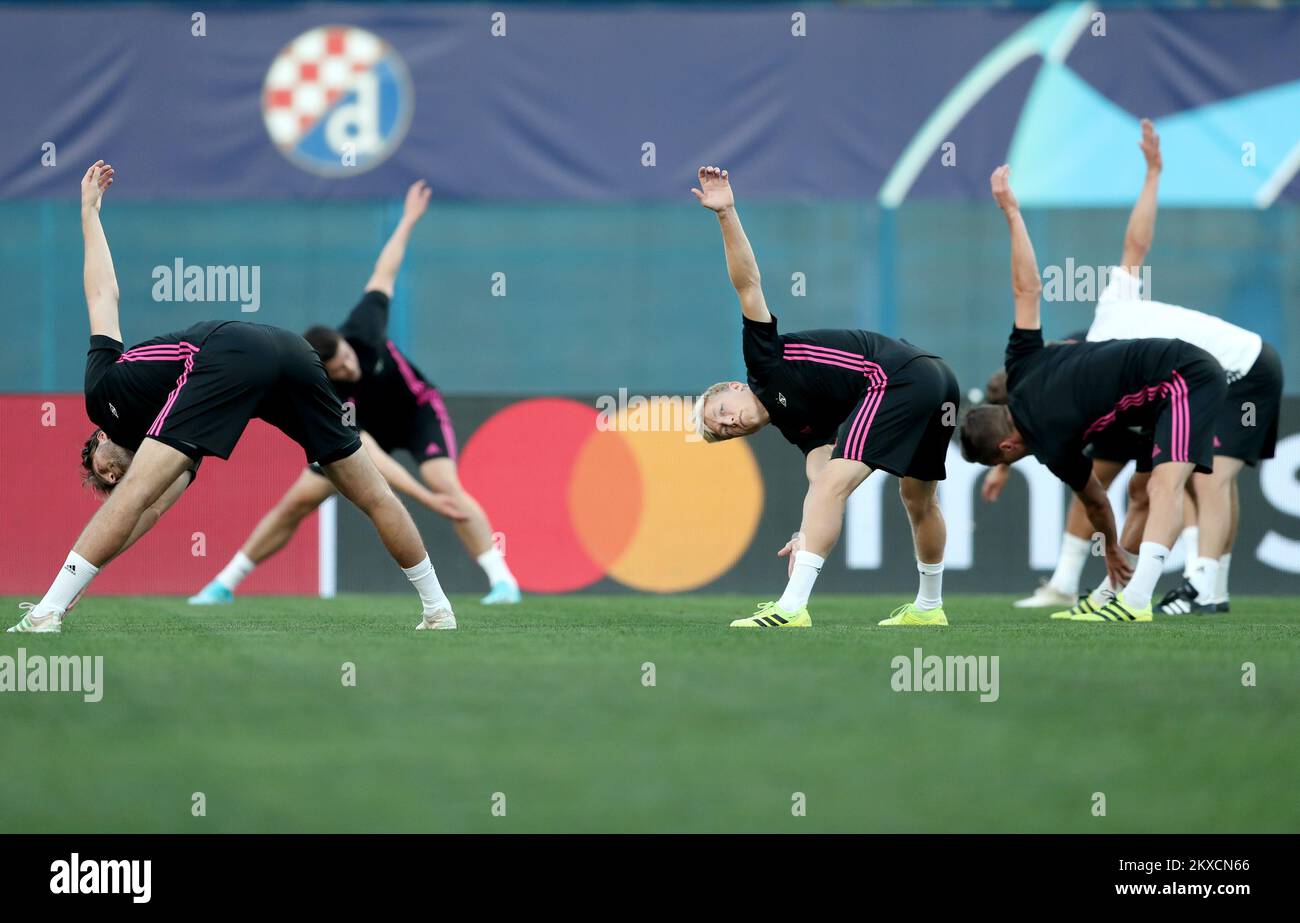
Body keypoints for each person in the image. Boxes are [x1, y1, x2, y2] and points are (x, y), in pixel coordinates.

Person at [10, 162, 455, 633]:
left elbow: (103, 295)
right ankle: (438, 610)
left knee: (141, 491)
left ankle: (44, 614)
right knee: (372, 493)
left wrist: (89, 212)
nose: (109, 472)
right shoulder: (175, 438)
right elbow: (147, 508)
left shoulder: (101, 394)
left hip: (230, 349)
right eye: (109, 479)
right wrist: (78, 584)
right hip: (293, 354)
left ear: (99, 435)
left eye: (97, 462)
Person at [188, 181, 521, 607]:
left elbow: (385, 272)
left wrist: (407, 221)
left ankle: (503, 582)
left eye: (346, 356)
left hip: (416, 411)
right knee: (298, 501)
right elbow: (370, 459)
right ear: (324, 371)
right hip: (365, 434)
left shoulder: (363, 326)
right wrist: (423, 499)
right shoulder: (325, 390)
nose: (349, 366)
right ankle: (223, 585)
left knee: (445, 481)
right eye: (339, 367)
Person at [689, 166, 959, 628]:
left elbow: (747, 285)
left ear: (734, 387)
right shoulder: (800, 430)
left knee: (841, 485)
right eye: (723, 431)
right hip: (937, 381)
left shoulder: (762, 362)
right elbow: (822, 484)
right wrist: (804, 531)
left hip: (899, 378)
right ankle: (930, 609)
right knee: (918, 498)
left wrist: (726, 213)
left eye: (721, 412)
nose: (728, 423)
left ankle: (791, 609)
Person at [959, 165, 1226, 623]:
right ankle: (1111, 592)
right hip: (1161, 392)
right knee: (1142, 489)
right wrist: (1011, 212)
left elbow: (1098, 502)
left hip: (1185, 376)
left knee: (1165, 485)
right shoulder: (1021, 367)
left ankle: (1137, 600)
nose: (1008, 465)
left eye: (1003, 463)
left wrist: (1108, 550)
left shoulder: (1052, 446)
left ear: (1007, 447)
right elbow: (1027, 289)